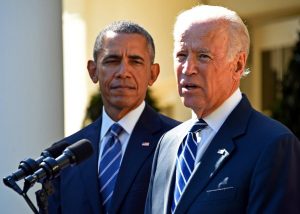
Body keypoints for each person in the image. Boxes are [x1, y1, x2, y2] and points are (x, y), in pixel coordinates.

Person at [145, 5, 300, 214]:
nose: (188, 68)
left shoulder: (273, 144)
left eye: (203, 56)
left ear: (237, 65)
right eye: (181, 55)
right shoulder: (167, 143)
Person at [47, 20, 180, 214]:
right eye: (112, 61)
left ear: (153, 73)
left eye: (135, 61)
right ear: (93, 71)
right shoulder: (64, 155)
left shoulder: (179, 142)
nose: (123, 72)